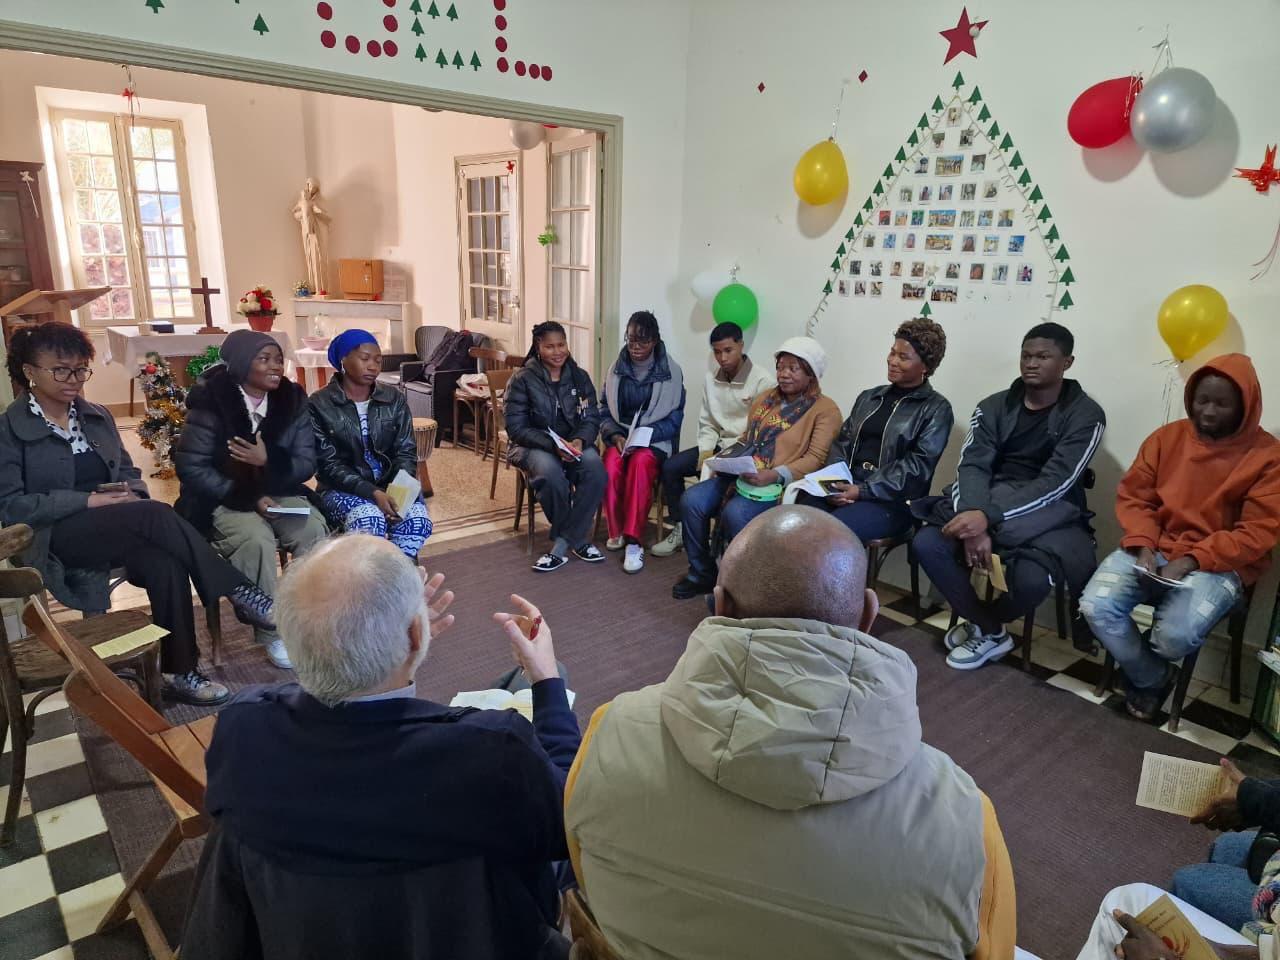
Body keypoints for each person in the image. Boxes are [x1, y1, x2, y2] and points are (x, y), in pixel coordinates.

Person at [565, 506, 1017, 959]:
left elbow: (587, 880)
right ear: (867, 616)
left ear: (721, 606)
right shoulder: (964, 822)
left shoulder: (611, 733)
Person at [181, 534, 581, 960]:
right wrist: (547, 683)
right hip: (479, 933)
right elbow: (575, 820)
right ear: (415, 634)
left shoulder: (244, 729)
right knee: (541, 679)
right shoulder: (492, 751)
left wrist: (381, 648)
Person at [0, 322, 276, 705]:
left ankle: (180, 673)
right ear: (29, 371)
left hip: (117, 529)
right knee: (155, 515)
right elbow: (12, 507)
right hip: (53, 538)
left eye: (81, 369)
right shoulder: (9, 430)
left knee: (165, 559)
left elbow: (130, 474)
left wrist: (130, 493)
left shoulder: (96, 416)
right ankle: (239, 590)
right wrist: (86, 501)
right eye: (61, 369)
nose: (74, 379)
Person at [1080, 354, 1280, 720]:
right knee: (1095, 606)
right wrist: (1143, 544)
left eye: (1222, 403)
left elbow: (1257, 532)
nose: (1208, 411)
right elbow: (1135, 498)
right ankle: (1153, 676)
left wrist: (1191, 560)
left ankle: (1145, 673)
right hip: (1153, 548)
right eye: (1202, 400)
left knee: (1175, 636)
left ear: (1246, 405)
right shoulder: (1166, 438)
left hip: (1220, 566)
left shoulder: (1268, 457)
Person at [912, 322, 1105, 670]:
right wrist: (975, 517)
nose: (1031, 363)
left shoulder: (1086, 415)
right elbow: (972, 466)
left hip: (1050, 510)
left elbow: (1056, 482)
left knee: (1033, 580)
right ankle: (992, 631)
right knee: (928, 543)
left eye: (1043, 356)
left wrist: (987, 518)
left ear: (1067, 362)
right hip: (987, 499)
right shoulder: (994, 406)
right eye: (1026, 355)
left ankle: (981, 623)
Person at [176, 330, 329, 670]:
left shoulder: (292, 399)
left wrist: (267, 461)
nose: (276, 367)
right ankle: (272, 633)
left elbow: (307, 461)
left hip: (279, 488)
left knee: (312, 530)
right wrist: (248, 496)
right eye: (265, 359)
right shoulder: (210, 402)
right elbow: (190, 466)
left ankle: (304, 622)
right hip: (222, 494)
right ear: (242, 365)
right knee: (254, 538)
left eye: (278, 359)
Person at [671, 336, 841, 600]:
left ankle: (741, 585)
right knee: (692, 500)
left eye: (793, 369)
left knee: (736, 513)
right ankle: (702, 573)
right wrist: (725, 460)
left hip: (776, 486)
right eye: (781, 367)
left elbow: (816, 458)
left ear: (811, 374)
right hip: (741, 473)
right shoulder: (765, 399)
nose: (783, 374)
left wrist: (775, 474)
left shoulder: (825, 410)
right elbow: (746, 439)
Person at [798, 317, 953, 542]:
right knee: (797, 519)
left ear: (926, 367)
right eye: (892, 352)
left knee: (831, 533)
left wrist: (863, 490)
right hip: (847, 486)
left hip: (893, 501)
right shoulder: (870, 397)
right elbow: (842, 442)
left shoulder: (936, 409)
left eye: (903, 357)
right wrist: (834, 485)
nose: (892, 361)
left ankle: (839, 578)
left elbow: (917, 469)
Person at [307, 329, 433, 561]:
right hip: (342, 489)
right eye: (364, 359)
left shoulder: (393, 398)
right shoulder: (319, 403)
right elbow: (327, 465)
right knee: (369, 520)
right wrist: (372, 493)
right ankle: (366, 586)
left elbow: (405, 450)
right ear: (343, 360)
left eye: (377, 359)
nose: (373, 366)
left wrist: (399, 494)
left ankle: (397, 580)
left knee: (417, 520)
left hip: (391, 485)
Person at [651, 321, 773, 558]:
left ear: (741, 345)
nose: (723, 357)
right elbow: (707, 422)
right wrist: (706, 452)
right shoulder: (711, 379)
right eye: (717, 352)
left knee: (715, 485)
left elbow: (759, 431)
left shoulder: (762, 381)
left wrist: (724, 456)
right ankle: (681, 526)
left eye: (728, 350)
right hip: (717, 446)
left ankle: (716, 539)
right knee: (671, 467)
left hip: (744, 450)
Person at [504, 320, 606, 573]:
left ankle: (561, 543)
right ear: (538, 347)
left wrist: (580, 440)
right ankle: (576, 541)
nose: (558, 351)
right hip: (532, 445)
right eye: (550, 346)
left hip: (573, 443)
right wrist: (552, 444)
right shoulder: (522, 379)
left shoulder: (579, 377)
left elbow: (592, 417)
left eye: (561, 345)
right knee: (550, 473)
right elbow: (516, 428)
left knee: (596, 470)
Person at [599, 310, 685, 574]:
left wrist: (646, 438)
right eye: (631, 340)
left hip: (654, 440)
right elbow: (604, 409)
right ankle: (617, 530)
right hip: (621, 435)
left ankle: (634, 541)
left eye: (643, 342)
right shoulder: (616, 368)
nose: (636, 348)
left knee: (640, 464)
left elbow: (674, 419)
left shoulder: (671, 371)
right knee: (610, 464)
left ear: (656, 341)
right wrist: (615, 435)